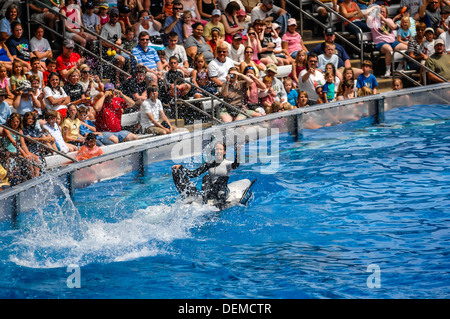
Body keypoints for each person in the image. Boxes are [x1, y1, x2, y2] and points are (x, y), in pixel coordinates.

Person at [172, 142, 241, 207]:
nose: (219, 151)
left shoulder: (227, 164)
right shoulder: (209, 164)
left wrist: (237, 153)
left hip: (222, 191)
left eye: (221, 149)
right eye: (217, 149)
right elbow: (193, 174)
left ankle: (220, 202)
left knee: (221, 182)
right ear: (214, 152)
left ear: (224, 152)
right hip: (211, 193)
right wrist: (181, 167)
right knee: (206, 177)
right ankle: (205, 202)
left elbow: (235, 165)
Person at [364, 5, 408, 78]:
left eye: (383, 12)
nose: (381, 13)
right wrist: (374, 7)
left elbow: (393, 27)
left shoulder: (389, 20)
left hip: (392, 42)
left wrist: (383, 19)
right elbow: (365, 14)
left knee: (406, 48)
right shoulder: (373, 20)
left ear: (386, 13)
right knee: (389, 49)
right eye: (380, 11)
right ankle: (388, 70)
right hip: (381, 42)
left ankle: (399, 68)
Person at [2, 113, 41, 177]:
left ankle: (37, 176)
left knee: (36, 158)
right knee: (28, 159)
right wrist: (25, 154)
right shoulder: (6, 129)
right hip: (10, 151)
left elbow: (23, 145)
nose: (15, 123)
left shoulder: (19, 130)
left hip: (18, 150)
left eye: (17, 122)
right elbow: (14, 143)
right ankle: (32, 176)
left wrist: (27, 153)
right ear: (10, 121)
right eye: (14, 122)